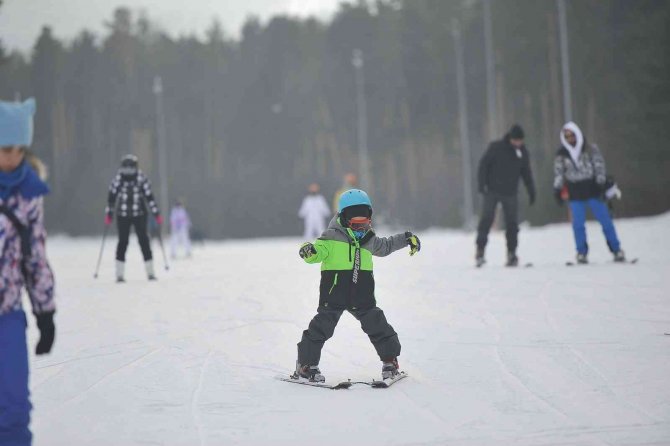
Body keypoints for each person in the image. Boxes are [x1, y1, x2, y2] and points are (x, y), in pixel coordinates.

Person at [293, 189, 421, 383]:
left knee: (377, 325)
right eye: (356, 224)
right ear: (344, 219)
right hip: (334, 293)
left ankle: (390, 361)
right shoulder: (331, 238)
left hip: (362, 294)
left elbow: (385, 246)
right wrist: (308, 251)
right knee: (321, 328)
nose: (361, 228)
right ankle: (306, 365)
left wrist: (406, 238)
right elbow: (316, 253)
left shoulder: (368, 240)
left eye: (365, 223)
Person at [0, 98, 56, 446]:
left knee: (14, 407)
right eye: (6, 148)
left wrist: (45, 312)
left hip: (8, 316)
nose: (13, 157)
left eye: (21, 149)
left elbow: (35, 257)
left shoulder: (29, 194)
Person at [553, 122, 625, 264]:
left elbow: (599, 166)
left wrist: (600, 183)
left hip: (593, 191)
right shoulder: (561, 154)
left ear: (577, 134)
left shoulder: (590, 149)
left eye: (572, 135)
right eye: (566, 136)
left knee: (605, 221)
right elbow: (559, 174)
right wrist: (557, 189)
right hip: (575, 194)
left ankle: (616, 249)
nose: (570, 139)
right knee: (578, 225)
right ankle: (581, 252)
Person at [476, 124, 536, 267]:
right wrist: (481, 184)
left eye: (520, 141)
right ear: (510, 138)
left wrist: (531, 190)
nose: (518, 143)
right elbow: (483, 165)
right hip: (492, 191)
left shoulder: (522, 152)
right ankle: (480, 250)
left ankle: (512, 253)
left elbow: (526, 173)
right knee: (486, 219)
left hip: (510, 193)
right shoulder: (496, 147)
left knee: (512, 224)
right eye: (515, 140)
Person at [105, 154, 163, 282]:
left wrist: (156, 213)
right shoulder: (117, 180)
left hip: (140, 215)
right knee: (123, 242)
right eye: (126, 168)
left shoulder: (141, 179)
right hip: (123, 215)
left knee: (144, 241)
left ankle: (150, 272)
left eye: (131, 168)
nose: (128, 171)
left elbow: (149, 197)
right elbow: (111, 199)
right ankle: (119, 274)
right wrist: (109, 213)